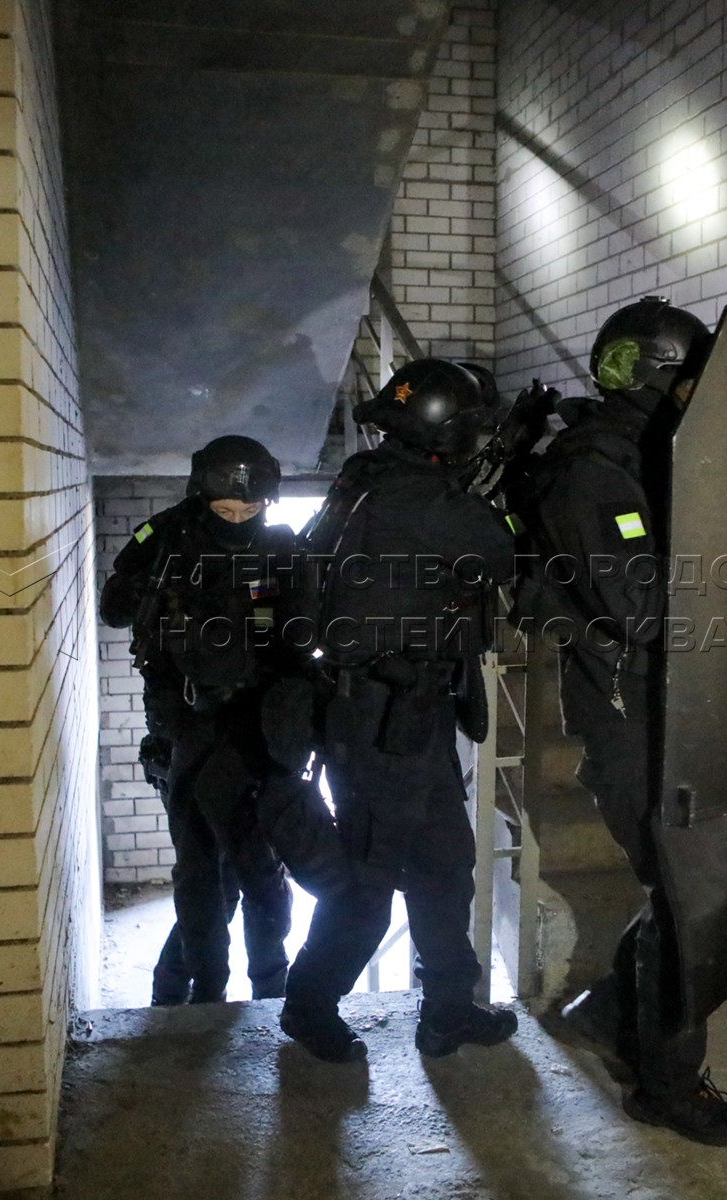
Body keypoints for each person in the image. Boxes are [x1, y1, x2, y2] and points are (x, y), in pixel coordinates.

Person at [524, 297, 727, 1145]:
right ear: (654, 377)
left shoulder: (661, 454)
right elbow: (638, 606)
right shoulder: (593, 469)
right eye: (689, 380)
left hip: (681, 704)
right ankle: (667, 1086)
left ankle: (606, 1010)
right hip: (633, 711)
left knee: (704, 893)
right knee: (689, 901)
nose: (700, 397)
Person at [278, 358, 520, 1063]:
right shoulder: (424, 500)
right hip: (381, 721)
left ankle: (448, 1007)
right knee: (369, 877)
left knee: (445, 863)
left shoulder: (368, 476)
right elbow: (501, 554)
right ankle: (308, 1006)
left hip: (403, 713)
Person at [98, 435, 299, 1004]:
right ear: (202, 495)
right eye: (225, 511)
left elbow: (292, 633)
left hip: (257, 726)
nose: (238, 520)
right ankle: (195, 995)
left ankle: (268, 994)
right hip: (186, 725)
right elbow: (115, 610)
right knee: (203, 874)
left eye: (250, 510)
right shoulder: (167, 539)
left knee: (256, 874)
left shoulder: (275, 546)